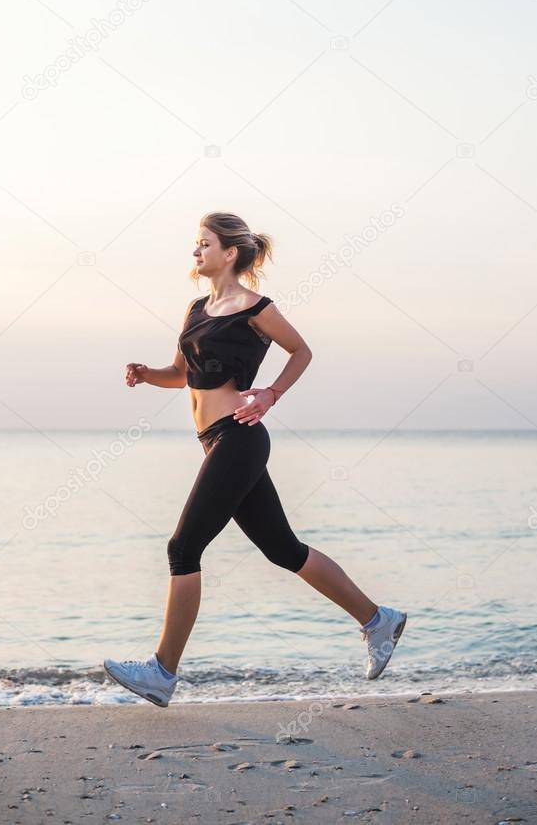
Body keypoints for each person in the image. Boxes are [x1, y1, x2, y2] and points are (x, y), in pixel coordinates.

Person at [103, 212, 407, 707]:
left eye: (204, 244)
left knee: (183, 548)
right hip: (215, 441)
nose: (196, 252)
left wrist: (270, 394)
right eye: (195, 244)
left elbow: (301, 351)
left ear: (231, 253)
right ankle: (379, 620)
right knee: (284, 550)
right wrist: (145, 373)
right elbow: (182, 374)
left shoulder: (255, 307)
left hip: (239, 438)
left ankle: (162, 672)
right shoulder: (196, 308)